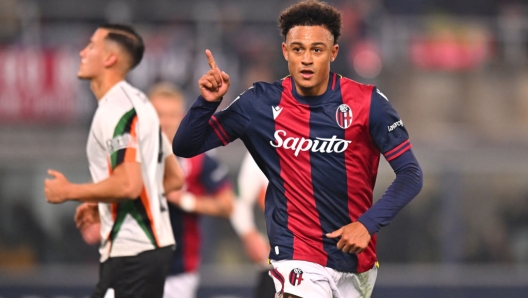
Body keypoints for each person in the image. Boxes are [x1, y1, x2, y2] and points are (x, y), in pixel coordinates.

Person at [172, 1, 424, 297]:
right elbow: (186, 145)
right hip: (296, 252)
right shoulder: (260, 103)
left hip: (356, 261)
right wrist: (207, 103)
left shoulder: (369, 103)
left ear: (333, 53)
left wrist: (367, 224)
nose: (306, 59)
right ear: (285, 51)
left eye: (316, 50)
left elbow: (410, 174)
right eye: (298, 49)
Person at [44, 24, 185, 298]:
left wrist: (69, 192)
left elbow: (128, 185)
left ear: (110, 59)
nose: (83, 52)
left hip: (133, 252)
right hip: (146, 251)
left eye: (92, 46)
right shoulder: (140, 102)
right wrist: (103, 203)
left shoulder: (116, 109)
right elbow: (173, 178)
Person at [147, 82, 235, 298]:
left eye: (172, 115)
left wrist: (185, 200)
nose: (165, 122)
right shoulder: (131, 154)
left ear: (182, 116)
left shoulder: (198, 157)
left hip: (179, 271)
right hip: (134, 265)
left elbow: (228, 205)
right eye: (159, 114)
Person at [230, 151, 275, 298]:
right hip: (275, 260)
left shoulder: (328, 142)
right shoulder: (263, 142)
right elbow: (239, 201)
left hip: (323, 257)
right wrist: (249, 235)